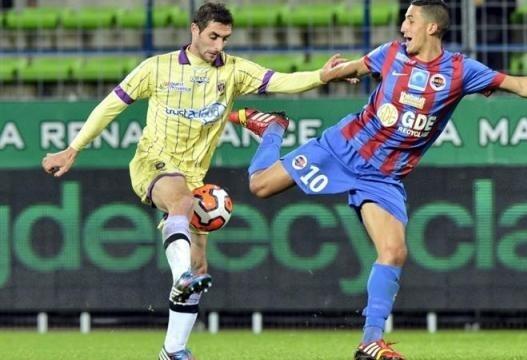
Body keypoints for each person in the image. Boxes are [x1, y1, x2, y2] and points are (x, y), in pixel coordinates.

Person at [228, 1, 527, 359]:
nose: (402, 26)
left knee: (394, 252)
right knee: (260, 186)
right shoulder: (390, 53)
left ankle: (370, 341)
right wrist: (333, 72)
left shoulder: (461, 71)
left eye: (410, 20)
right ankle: (273, 127)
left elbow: (522, 86)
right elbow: (355, 68)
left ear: (432, 27)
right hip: (341, 149)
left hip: (383, 177)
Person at [41, 3, 349, 360]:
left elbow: (281, 81)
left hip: (192, 179)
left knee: (200, 267)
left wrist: (322, 76)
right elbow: (111, 105)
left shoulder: (233, 71)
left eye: (225, 38)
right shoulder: (156, 68)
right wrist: (73, 148)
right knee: (182, 209)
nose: (219, 45)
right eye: (213, 36)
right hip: (152, 164)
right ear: (194, 30)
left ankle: (173, 350)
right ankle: (181, 276)